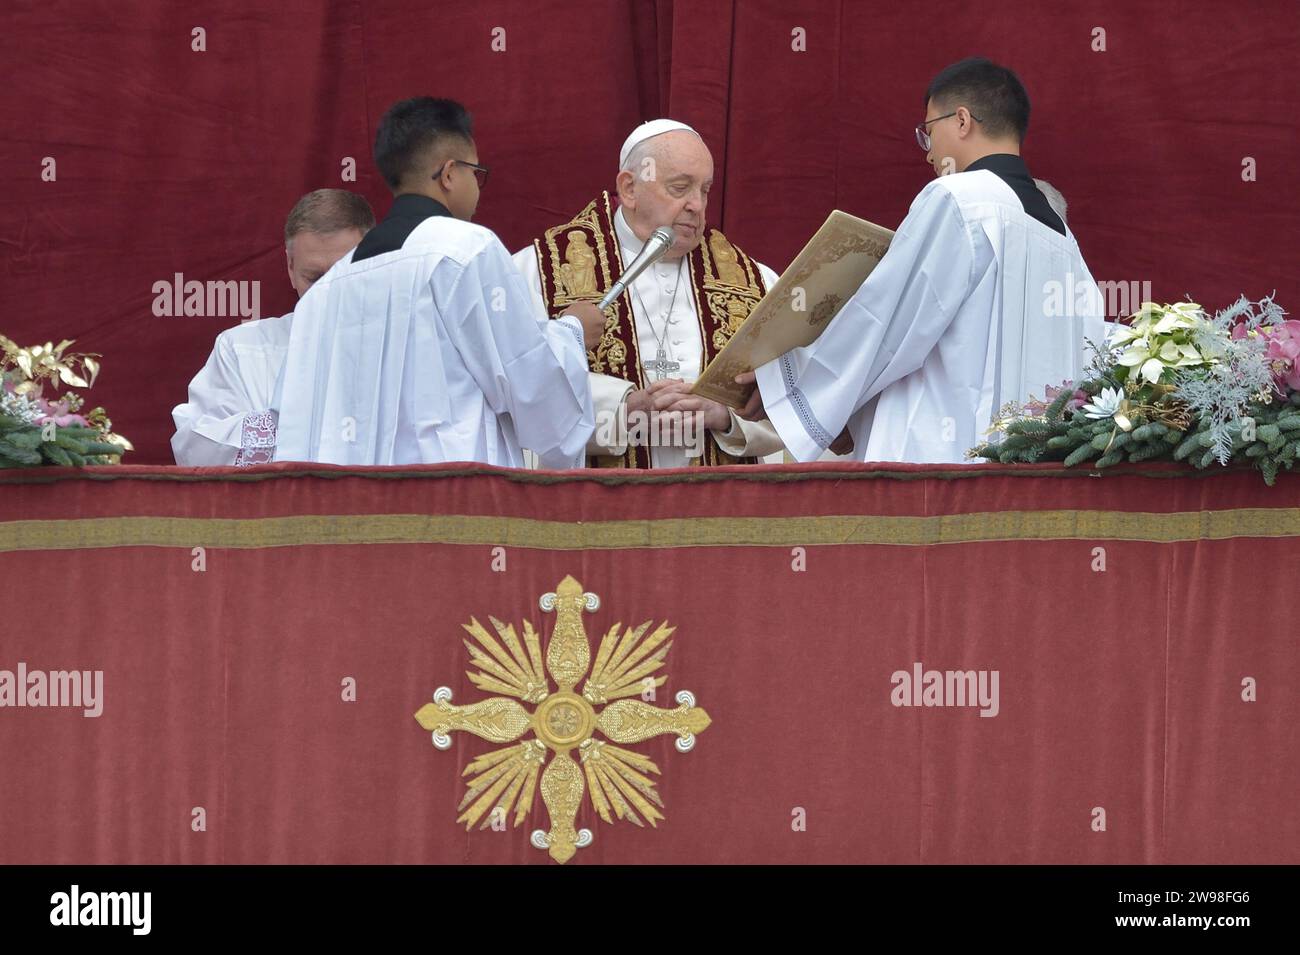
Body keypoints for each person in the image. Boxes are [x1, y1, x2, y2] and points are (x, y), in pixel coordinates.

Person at [737, 57, 1105, 464]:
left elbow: (888, 320)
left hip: (943, 461)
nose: (928, 153)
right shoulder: (1061, 235)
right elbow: (1089, 357)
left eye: (929, 132)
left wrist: (785, 383)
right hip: (1032, 470)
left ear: (962, 121)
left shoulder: (958, 198)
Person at [272, 97, 605, 468]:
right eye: (476, 174)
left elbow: (299, 418)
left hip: (355, 506)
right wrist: (571, 334)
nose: (478, 187)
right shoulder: (466, 250)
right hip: (448, 503)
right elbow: (529, 386)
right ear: (449, 174)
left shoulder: (332, 286)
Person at [512, 120, 784, 468]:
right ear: (629, 188)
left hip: (720, 510)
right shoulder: (539, 270)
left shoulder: (754, 280)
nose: (697, 206)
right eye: (680, 187)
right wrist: (622, 409)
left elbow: (792, 400)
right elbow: (522, 387)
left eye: (704, 190)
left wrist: (725, 416)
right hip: (596, 511)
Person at [170, 189, 374, 466]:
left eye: (342, 275)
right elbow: (198, 448)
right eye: (314, 278)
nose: (327, 292)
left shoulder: (405, 344)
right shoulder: (240, 349)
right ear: (290, 267)